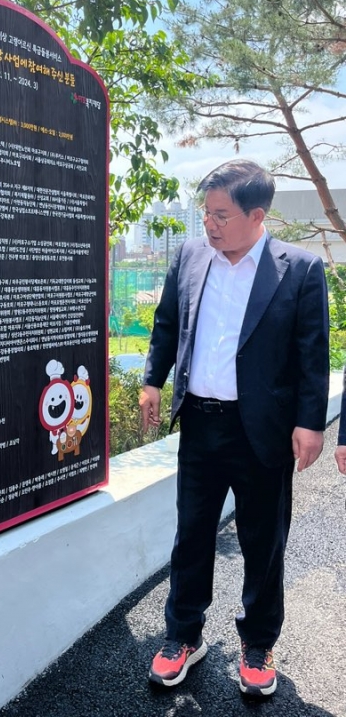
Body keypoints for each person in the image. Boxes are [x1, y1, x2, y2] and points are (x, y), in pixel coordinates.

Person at [139, 159, 329, 698]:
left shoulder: (300, 270)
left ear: (256, 215)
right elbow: (168, 322)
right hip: (200, 424)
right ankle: (182, 636)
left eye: (221, 214)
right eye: (206, 213)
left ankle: (258, 643)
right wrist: (153, 380)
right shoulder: (192, 257)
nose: (210, 224)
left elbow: (312, 355)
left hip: (262, 432)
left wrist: (309, 423)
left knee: (263, 542)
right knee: (191, 536)